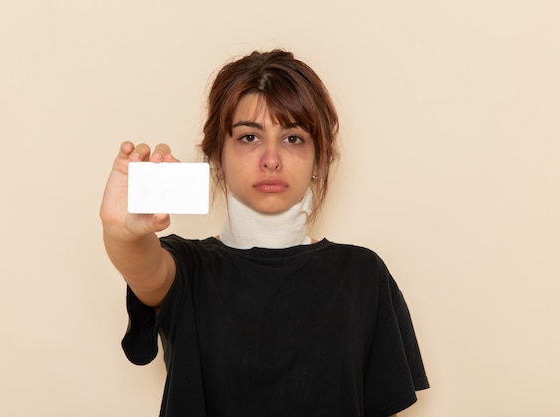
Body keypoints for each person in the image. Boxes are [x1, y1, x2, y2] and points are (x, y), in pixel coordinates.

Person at [100, 49, 429, 417]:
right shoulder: (188, 269)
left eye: (293, 139)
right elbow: (145, 266)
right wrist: (120, 232)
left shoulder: (363, 274)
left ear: (320, 159)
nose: (271, 159)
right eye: (249, 137)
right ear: (216, 157)